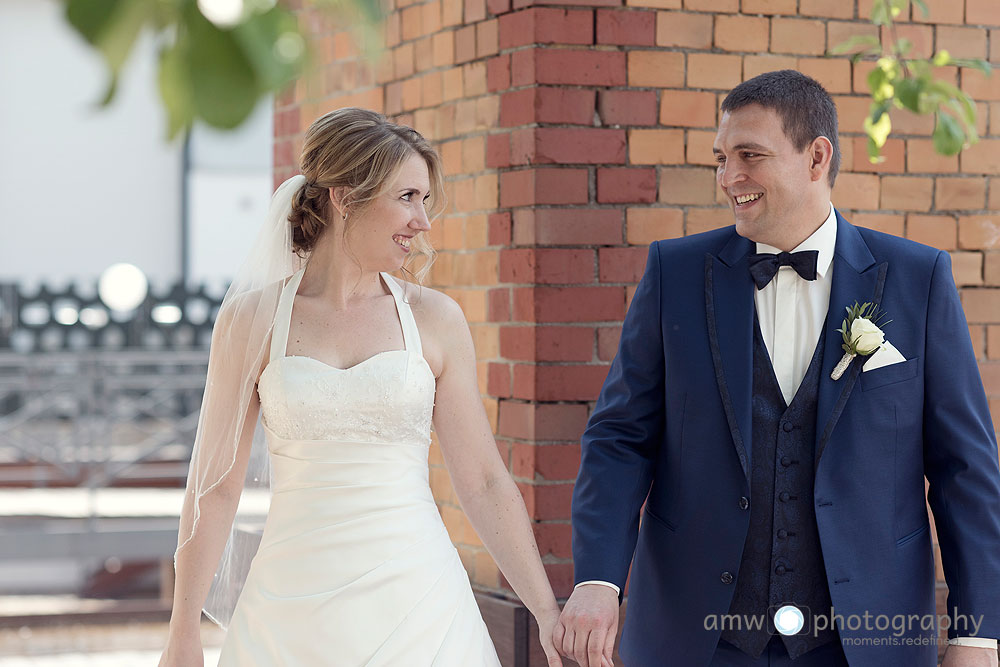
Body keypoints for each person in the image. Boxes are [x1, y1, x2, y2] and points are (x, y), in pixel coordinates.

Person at [556, 70, 1000, 667]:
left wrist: (976, 634)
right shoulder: (676, 273)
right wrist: (598, 579)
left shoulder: (917, 279)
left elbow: (964, 468)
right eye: (721, 158)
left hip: (865, 641)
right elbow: (619, 439)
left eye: (750, 156)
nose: (728, 177)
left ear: (817, 158)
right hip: (699, 639)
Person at [158, 108, 564, 666]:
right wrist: (183, 633)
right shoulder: (251, 321)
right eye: (407, 197)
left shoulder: (436, 320)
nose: (422, 221)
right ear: (344, 198)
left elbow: (485, 481)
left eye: (425, 200)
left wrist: (545, 610)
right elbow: (215, 487)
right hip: (289, 608)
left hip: (418, 603)